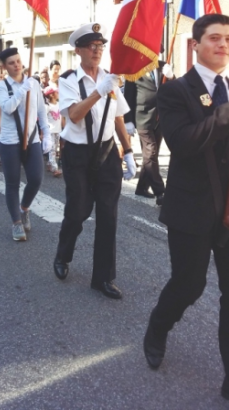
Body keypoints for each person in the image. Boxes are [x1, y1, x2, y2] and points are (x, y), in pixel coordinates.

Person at [143, 14, 229, 410]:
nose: (224, 45)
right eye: (215, 38)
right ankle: (158, 326)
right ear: (196, 44)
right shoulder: (174, 92)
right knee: (189, 285)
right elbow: (185, 143)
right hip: (192, 210)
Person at [53, 23, 136, 299]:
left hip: (107, 153)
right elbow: (74, 115)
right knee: (78, 211)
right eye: (92, 46)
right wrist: (98, 91)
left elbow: (118, 116)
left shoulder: (110, 78)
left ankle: (103, 278)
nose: (97, 51)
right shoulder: (68, 80)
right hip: (77, 154)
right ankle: (63, 254)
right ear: (78, 50)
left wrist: (128, 150)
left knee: (108, 216)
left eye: (100, 46)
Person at [0, 47, 52, 241]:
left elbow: (41, 111)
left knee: (36, 179)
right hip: (10, 141)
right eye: (11, 63)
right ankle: (16, 223)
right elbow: (8, 108)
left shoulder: (33, 83)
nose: (17, 65)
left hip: (32, 139)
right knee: (12, 183)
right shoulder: (2, 86)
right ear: (4, 66)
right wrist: (21, 91)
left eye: (18, 61)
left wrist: (47, 134)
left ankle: (24, 208)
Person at [123, 60, 174, 204]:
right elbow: (128, 95)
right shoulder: (133, 69)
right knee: (150, 152)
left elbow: (174, 89)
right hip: (142, 118)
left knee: (151, 155)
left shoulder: (163, 65)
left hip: (159, 117)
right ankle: (161, 192)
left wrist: (171, 76)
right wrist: (128, 120)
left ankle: (141, 187)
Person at [43, 86, 62, 176]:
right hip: (50, 131)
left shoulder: (59, 105)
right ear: (52, 95)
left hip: (58, 130)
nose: (58, 94)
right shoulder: (47, 107)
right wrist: (42, 132)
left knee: (54, 148)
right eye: (56, 92)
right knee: (52, 149)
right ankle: (55, 168)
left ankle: (49, 164)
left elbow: (62, 118)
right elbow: (43, 120)